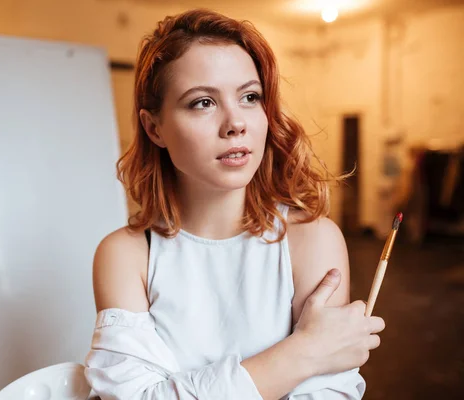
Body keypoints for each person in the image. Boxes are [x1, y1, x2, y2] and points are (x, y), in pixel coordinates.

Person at [84, 8, 385, 400]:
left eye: (249, 97)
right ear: (153, 127)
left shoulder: (312, 241)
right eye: (203, 103)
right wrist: (304, 351)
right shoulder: (126, 256)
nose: (235, 123)